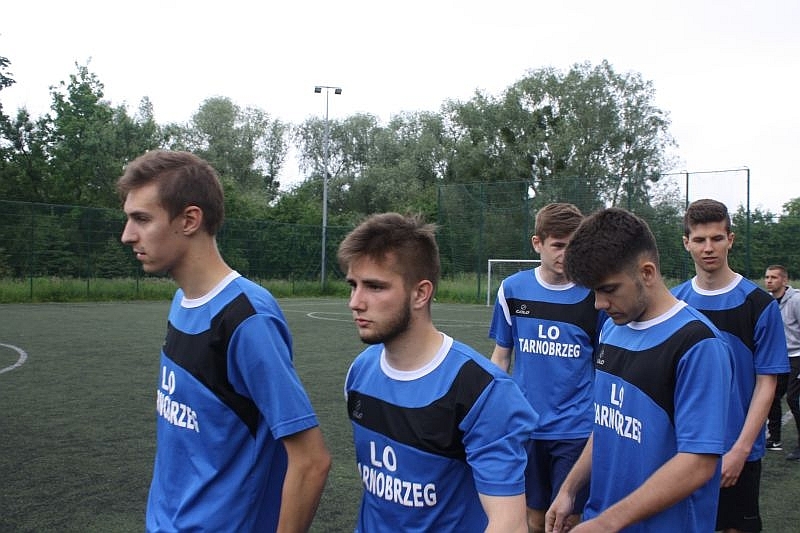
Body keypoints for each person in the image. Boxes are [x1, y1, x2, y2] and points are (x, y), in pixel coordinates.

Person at [118, 150, 331, 532]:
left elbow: (311, 461)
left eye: (142, 219)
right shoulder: (182, 301)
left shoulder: (247, 318)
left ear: (190, 220)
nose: (127, 235)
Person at [338, 212, 539, 533]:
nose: (355, 302)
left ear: (420, 293)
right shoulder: (360, 371)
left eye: (374, 286)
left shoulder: (480, 390)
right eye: (353, 285)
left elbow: (509, 524)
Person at [545, 207, 733, 533]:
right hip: (603, 518)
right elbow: (607, 424)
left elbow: (698, 463)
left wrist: (608, 522)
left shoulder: (698, 343)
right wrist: (569, 489)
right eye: (593, 292)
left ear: (646, 273)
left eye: (608, 289)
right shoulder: (612, 329)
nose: (599, 304)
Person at [671, 199, 789, 533]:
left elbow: (767, 383)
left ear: (730, 239)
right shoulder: (674, 302)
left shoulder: (759, 304)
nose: (708, 248)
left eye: (716, 238)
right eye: (699, 239)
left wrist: (741, 449)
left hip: (737, 450)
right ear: (686, 243)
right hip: (684, 448)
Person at [489, 202, 604, 533]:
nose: (566, 254)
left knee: (569, 520)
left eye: (573, 245)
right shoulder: (513, 290)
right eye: (558, 245)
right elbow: (501, 356)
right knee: (534, 519)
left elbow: (605, 365)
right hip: (527, 426)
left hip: (576, 429)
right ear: (537, 243)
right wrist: (492, 410)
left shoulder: (593, 297)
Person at [763, 264, 800, 459]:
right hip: (779, 358)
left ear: (784, 280)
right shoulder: (767, 301)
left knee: (793, 399)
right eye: (767, 277)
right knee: (770, 396)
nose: (769, 280)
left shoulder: (796, 301)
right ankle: (774, 438)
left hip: (797, 356)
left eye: (774, 277)